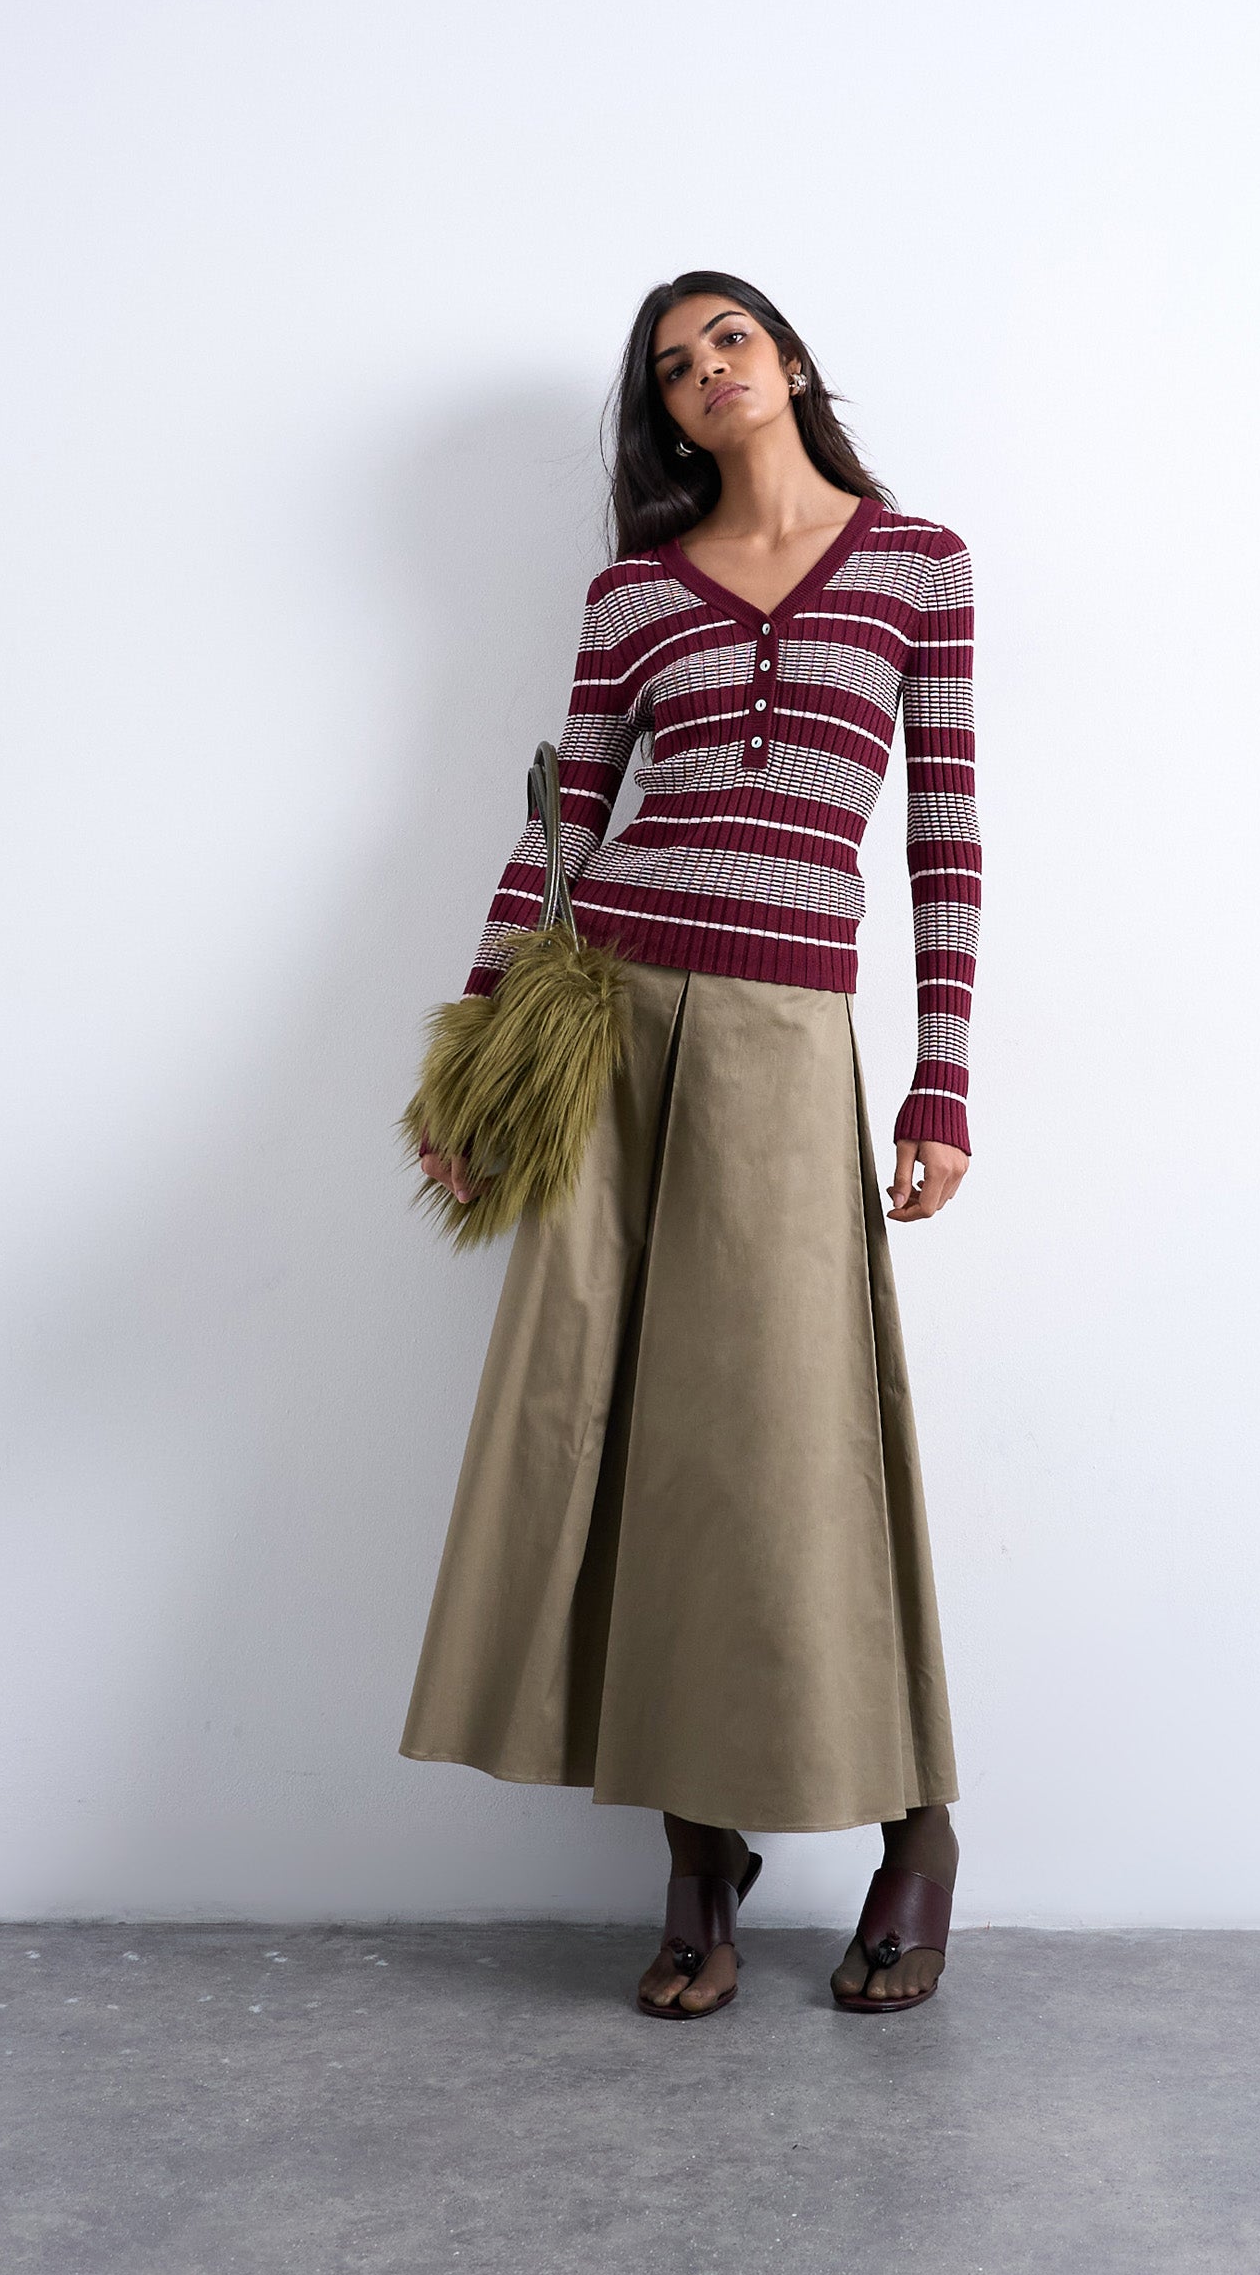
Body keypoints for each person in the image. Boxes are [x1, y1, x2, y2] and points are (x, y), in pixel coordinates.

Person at [400, 271, 980, 2018]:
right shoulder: (634, 594)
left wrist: (940, 1082)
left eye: (728, 339)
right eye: (671, 366)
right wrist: (476, 1069)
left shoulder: (917, 566)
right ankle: (698, 1852)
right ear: (663, 414)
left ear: (787, 358)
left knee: (791, 1443)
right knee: (610, 1432)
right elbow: (566, 823)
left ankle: (918, 1827)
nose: (705, 371)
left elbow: (944, 836)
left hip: (787, 1042)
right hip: (612, 1025)